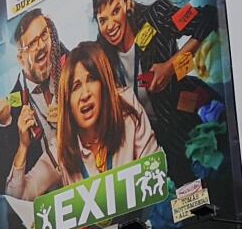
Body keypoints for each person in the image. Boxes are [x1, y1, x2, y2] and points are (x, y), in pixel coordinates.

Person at [90, 0, 219, 187]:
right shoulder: (100, 52)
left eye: (116, 11)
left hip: (188, 122)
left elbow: (208, 16)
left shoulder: (157, 16)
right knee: (185, 211)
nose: (110, 25)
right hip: (152, 146)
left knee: (216, 193)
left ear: (127, 1)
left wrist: (171, 66)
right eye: (103, 19)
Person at [11, 40, 160, 199]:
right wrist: (23, 146)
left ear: (104, 85)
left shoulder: (127, 110)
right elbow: (18, 196)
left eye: (91, 79)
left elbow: (156, 170)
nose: (85, 94)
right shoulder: (61, 146)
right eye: (75, 87)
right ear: (68, 102)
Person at [0, 8, 67, 203]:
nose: (41, 46)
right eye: (32, 43)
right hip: (50, 210)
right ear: (20, 58)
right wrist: (22, 144)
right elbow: (2, 184)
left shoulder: (75, 68)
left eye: (44, 35)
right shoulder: (10, 109)